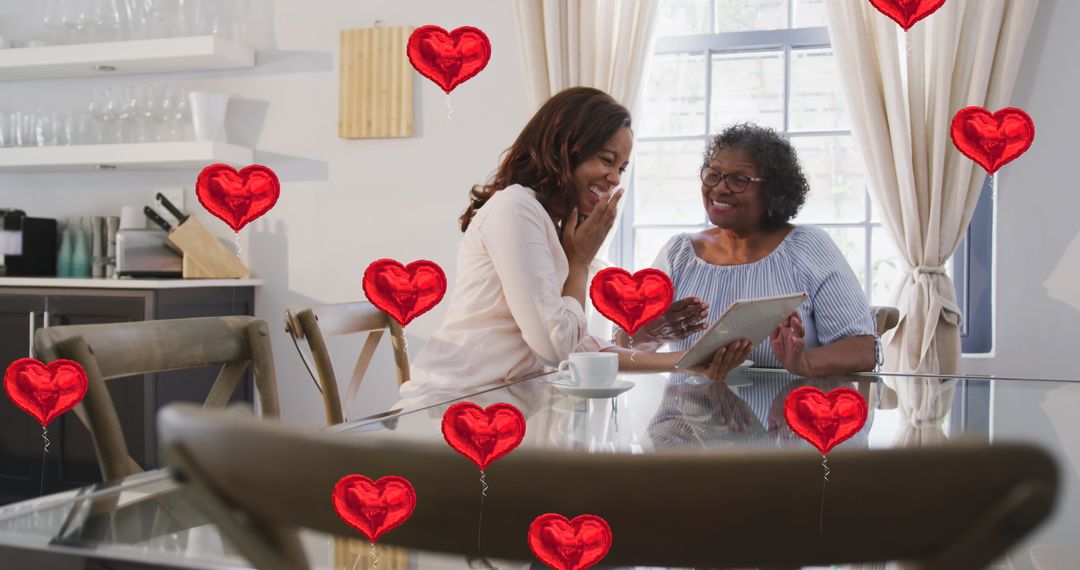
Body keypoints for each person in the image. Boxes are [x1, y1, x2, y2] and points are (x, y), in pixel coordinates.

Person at [398, 88, 751, 406]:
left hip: (507, 405)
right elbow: (556, 349)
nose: (614, 178)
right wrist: (579, 263)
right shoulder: (516, 208)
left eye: (622, 168)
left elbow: (582, 351)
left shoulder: (554, 223)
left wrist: (687, 361)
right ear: (564, 149)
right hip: (450, 406)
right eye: (607, 159)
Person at [617, 123, 877, 376]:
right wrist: (655, 331)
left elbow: (863, 350)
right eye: (713, 174)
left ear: (773, 191)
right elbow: (620, 347)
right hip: (684, 416)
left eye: (739, 180)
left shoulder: (807, 247)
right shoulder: (679, 253)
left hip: (781, 417)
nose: (719, 188)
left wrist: (803, 362)